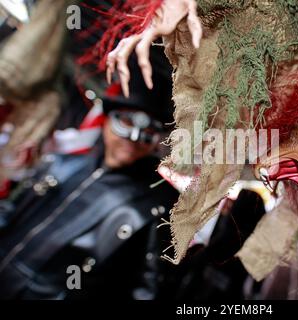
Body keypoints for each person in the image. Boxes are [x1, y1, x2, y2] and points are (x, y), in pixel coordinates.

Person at [0, 50, 179, 300]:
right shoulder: (61, 162)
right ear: (106, 120)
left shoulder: (153, 207)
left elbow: (145, 291)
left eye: (149, 131)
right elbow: (10, 212)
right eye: (126, 123)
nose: (133, 139)